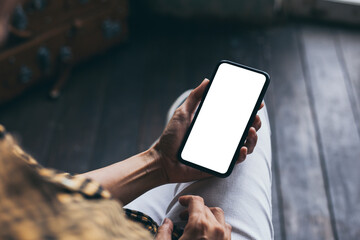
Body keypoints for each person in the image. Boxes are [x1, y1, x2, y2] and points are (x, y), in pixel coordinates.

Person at [0, 1, 273, 239]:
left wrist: (158, 162)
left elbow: (41, 204)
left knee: (188, 102)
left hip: (115, 222)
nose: (9, 26)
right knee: (242, 114)